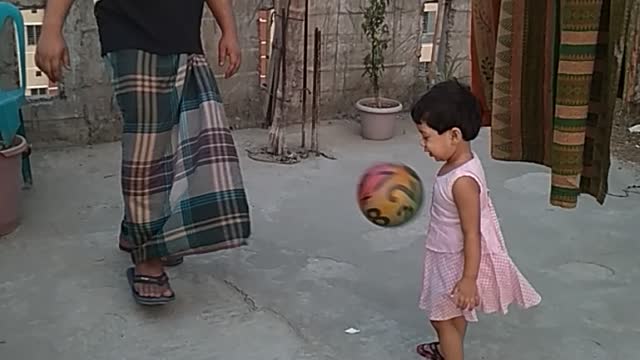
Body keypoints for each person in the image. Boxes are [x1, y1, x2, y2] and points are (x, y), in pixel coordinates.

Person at [35, 0, 251, 306]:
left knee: (170, 140)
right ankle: (147, 254)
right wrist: (51, 28)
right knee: (147, 145)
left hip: (182, 37)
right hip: (131, 33)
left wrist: (228, 30)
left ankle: (134, 230)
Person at [410, 80, 541, 359]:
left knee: (441, 319)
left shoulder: (462, 182)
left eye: (426, 136)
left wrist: (469, 278)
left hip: (452, 259)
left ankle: (450, 351)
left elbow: (473, 233)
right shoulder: (462, 163)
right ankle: (449, 347)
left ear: (454, 135)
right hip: (444, 253)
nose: (423, 145)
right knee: (453, 314)